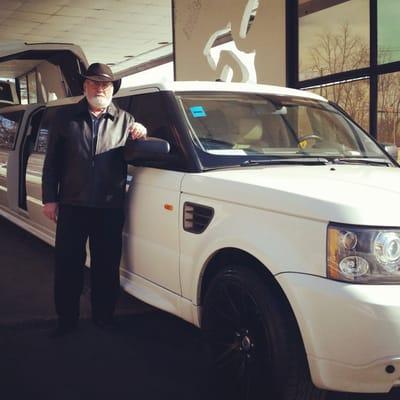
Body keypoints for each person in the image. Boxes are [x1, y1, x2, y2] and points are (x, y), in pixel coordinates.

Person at [42, 63, 147, 337]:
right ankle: (66, 320)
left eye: (106, 84)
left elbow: (139, 152)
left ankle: (104, 316)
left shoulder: (126, 120)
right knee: (67, 265)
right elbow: (51, 163)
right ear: (84, 85)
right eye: (94, 83)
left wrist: (142, 133)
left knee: (106, 266)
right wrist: (50, 199)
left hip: (108, 207)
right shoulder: (66, 119)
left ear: (112, 89)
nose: (100, 88)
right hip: (72, 205)